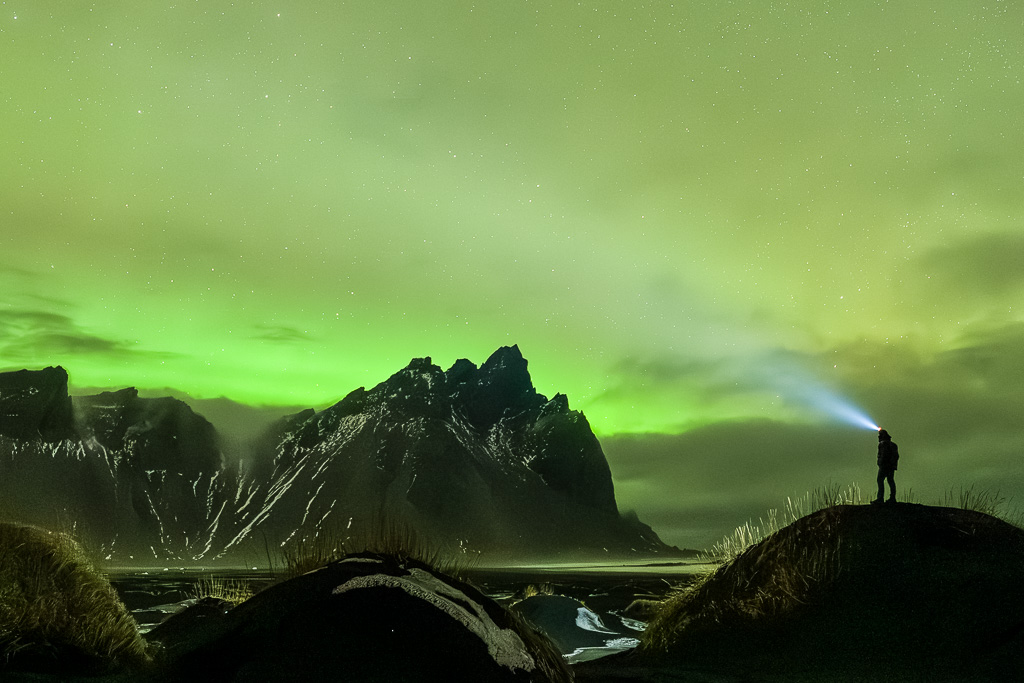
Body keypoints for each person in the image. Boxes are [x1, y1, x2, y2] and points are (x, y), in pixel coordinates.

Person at [873, 429, 899, 504]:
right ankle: (892, 498)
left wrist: (880, 463)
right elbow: (896, 456)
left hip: (884, 466)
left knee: (880, 480)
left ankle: (880, 498)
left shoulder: (882, 444)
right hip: (891, 466)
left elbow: (883, 455)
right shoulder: (894, 445)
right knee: (891, 481)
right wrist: (893, 465)